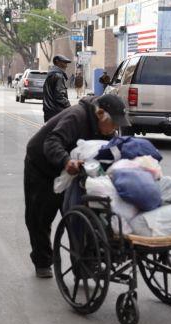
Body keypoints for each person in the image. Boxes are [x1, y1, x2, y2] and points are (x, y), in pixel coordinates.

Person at [23, 94, 130, 278]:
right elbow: (52, 142)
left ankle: (84, 265)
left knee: (80, 218)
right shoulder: (77, 116)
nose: (115, 128)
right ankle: (42, 261)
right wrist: (66, 161)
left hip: (75, 173)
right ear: (101, 114)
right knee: (40, 217)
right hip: (42, 166)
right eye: (113, 123)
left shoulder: (106, 127)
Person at [42, 55, 71, 122]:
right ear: (57, 62)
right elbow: (59, 96)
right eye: (64, 63)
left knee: (49, 131)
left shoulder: (50, 74)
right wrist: (69, 106)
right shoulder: (59, 76)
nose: (66, 65)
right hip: (57, 111)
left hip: (48, 110)